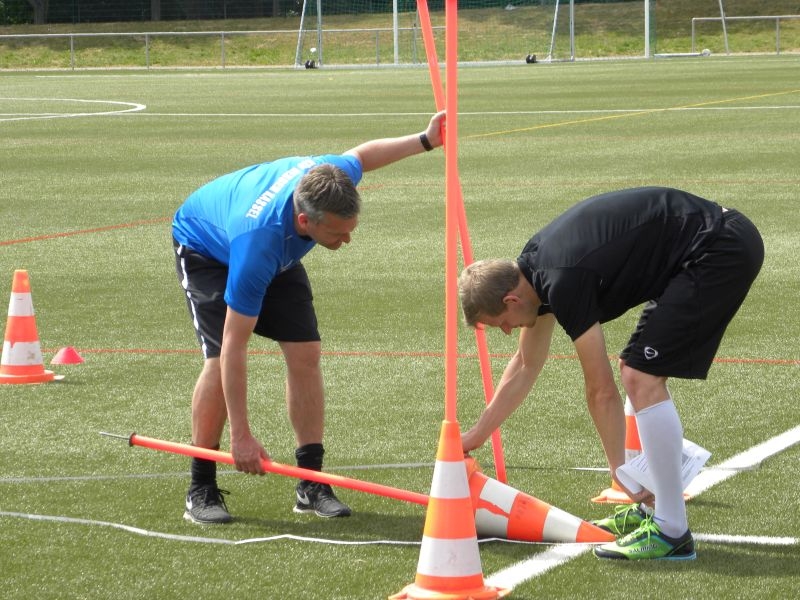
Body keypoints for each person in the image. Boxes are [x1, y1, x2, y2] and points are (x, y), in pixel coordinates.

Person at [457, 186, 763, 560]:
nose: (507, 331)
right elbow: (525, 364)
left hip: (718, 248)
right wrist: (476, 435)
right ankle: (651, 510)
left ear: (510, 300)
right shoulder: (532, 273)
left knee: (639, 375)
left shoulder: (562, 279)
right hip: (706, 245)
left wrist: (620, 471)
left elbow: (600, 390)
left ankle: (672, 532)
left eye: (501, 323)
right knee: (637, 368)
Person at [172, 111, 445, 524]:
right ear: (305, 220)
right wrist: (241, 435)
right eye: (337, 233)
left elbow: (362, 155)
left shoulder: (331, 175)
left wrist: (425, 139)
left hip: (277, 250)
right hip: (207, 250)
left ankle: (311, 482)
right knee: (215, 360)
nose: (346, 240)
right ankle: (201, 487)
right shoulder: (257, 245)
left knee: (306, 354)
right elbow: (234, 345)